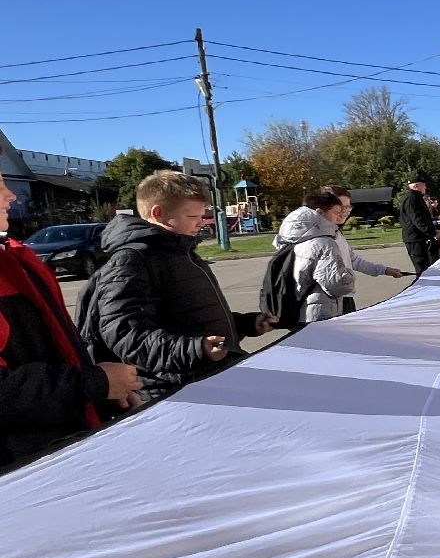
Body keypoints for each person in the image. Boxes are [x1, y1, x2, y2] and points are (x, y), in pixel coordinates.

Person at [84, 171, 275, 403]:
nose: (201, 222)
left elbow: (189, 315)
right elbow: (126, 334)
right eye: (192, 215)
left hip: (209, 376)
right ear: (158, 214)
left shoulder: (183, 252)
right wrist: (195, 349)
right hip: (176, 389)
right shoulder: (131, 260)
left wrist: (245, 324)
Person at [0, 170, 141, 474]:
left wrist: (102, 394)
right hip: (26, 478)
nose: (11, 195)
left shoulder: (14, 258)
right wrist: (92, 383)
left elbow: (57, 347)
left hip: (61, 451)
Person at [276, 189, 407, 320]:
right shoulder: (321, 240)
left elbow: (353, 260)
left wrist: (385, 270)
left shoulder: (333, 233)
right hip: (323, 305)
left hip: (336, 301)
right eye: (340, 208)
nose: (344, 212)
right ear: (321, 209)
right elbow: (336, 283)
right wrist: (347, 278)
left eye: (348, 207)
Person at [400, 174, 440, 274]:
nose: (425, 187)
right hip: (415, 239)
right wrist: (433, 233)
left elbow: (423, 218)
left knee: (426, 268)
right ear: (416, 186)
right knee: (422, 270)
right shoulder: (411, 199)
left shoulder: (416, 197)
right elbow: (418, 220)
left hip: (420, 238)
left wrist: (433, 229)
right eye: (424, 185)